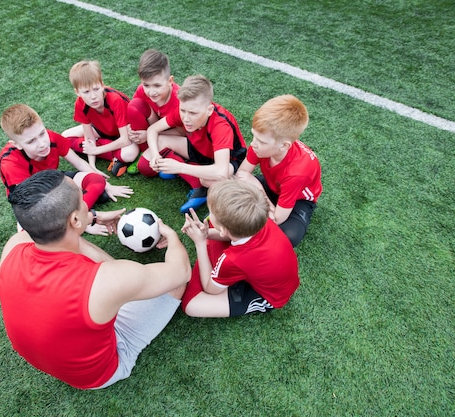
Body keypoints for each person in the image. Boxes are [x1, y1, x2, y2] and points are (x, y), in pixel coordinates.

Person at [0, 170, 191, 390]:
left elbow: (44, 234)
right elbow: (181, 271)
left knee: (74, 245)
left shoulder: (15, 245)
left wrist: (92, 218)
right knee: (175, 284)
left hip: (52, 357)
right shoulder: (106, 281)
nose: (87, 201)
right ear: (74, 219)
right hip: (99, 373)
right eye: (82, 197)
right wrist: (172, 237)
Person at [0, 104, 133, 235]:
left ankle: (78, 217)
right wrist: (86, 221)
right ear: (16, 144)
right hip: (31, 201)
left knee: (97, 182)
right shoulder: (10, 162)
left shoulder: (51, 138)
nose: (42, 143)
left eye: (42, 133)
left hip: (52, 180)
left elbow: (79, 163)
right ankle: (81, 221)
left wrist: (107, 186)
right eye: (31, 141)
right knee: (33, 235)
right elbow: (31, 205)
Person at [180, 178, 299, 318]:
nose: (208, 215)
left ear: (224, 230)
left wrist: (200, 243)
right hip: (261, 266)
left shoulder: (232, 259)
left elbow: (210, 289)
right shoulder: (259, 219)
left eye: (210, 212)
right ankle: (214, 254)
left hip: (269, 295)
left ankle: (211, 259)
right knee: (214, 230)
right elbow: (232, 235)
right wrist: (206, 234)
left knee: (191, 305)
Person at [138, 74, 247, 213]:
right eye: (183, 110)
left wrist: (180, 167)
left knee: (207, 180)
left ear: (209, 110)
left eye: (193, 113)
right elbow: (153, 130)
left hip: (229, 161)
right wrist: (155, 155)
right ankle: (192, 171)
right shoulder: (185, 110)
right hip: (199, 150)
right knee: (146, 164)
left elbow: (221, 171)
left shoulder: (220, 125)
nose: (186, 118)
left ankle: (199, 186)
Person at [236, 95, 322, 247]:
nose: (253, 144)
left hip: (298, 199)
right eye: (254, 136)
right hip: (273, 183)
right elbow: (240, 176)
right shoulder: (260, 147)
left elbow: (277, 218)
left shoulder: (297, 172)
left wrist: (257, 188)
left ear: (284, 146)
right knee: (236, 192)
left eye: (261, 141)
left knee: (289, 236)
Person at [61, 60, 138, 177]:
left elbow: (125, 140)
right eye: (86, 92)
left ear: (102, 85)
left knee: (130, 154)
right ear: (77, 92)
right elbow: (89, 137)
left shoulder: (115, 100)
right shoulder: (80, 103)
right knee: (64, 138)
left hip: (124, 134)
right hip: (100, 130)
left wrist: (96, 150)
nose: (93, 96)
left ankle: (111, 151)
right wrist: (92, 166)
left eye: (96, 89)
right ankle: (114, 154)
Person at [125, 49, 184, 173]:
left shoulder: (179, 101)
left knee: (146, 169)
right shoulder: (142, 90)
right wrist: (130, 128)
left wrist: (148, 134)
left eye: (157, 85)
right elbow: (135, 110)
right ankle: (144, 151)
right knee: (134, 105)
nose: (151, 91)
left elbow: (183, 133)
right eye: (146, 85)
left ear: (170, 81)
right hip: (154, 130)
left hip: (173, 135)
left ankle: (172, 158)